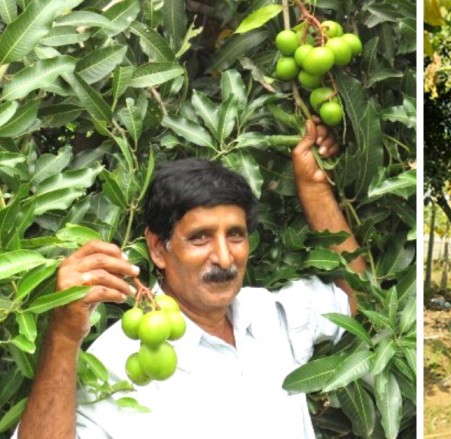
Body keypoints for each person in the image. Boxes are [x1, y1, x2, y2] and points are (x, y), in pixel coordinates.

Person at [15, 117, 366, 439]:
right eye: (200, 237)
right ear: (157, 248)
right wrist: (63, 332)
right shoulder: (118, 360)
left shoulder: (272, 316)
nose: (224, 257)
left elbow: (355, 297)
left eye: (235, 235)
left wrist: (315, 189)